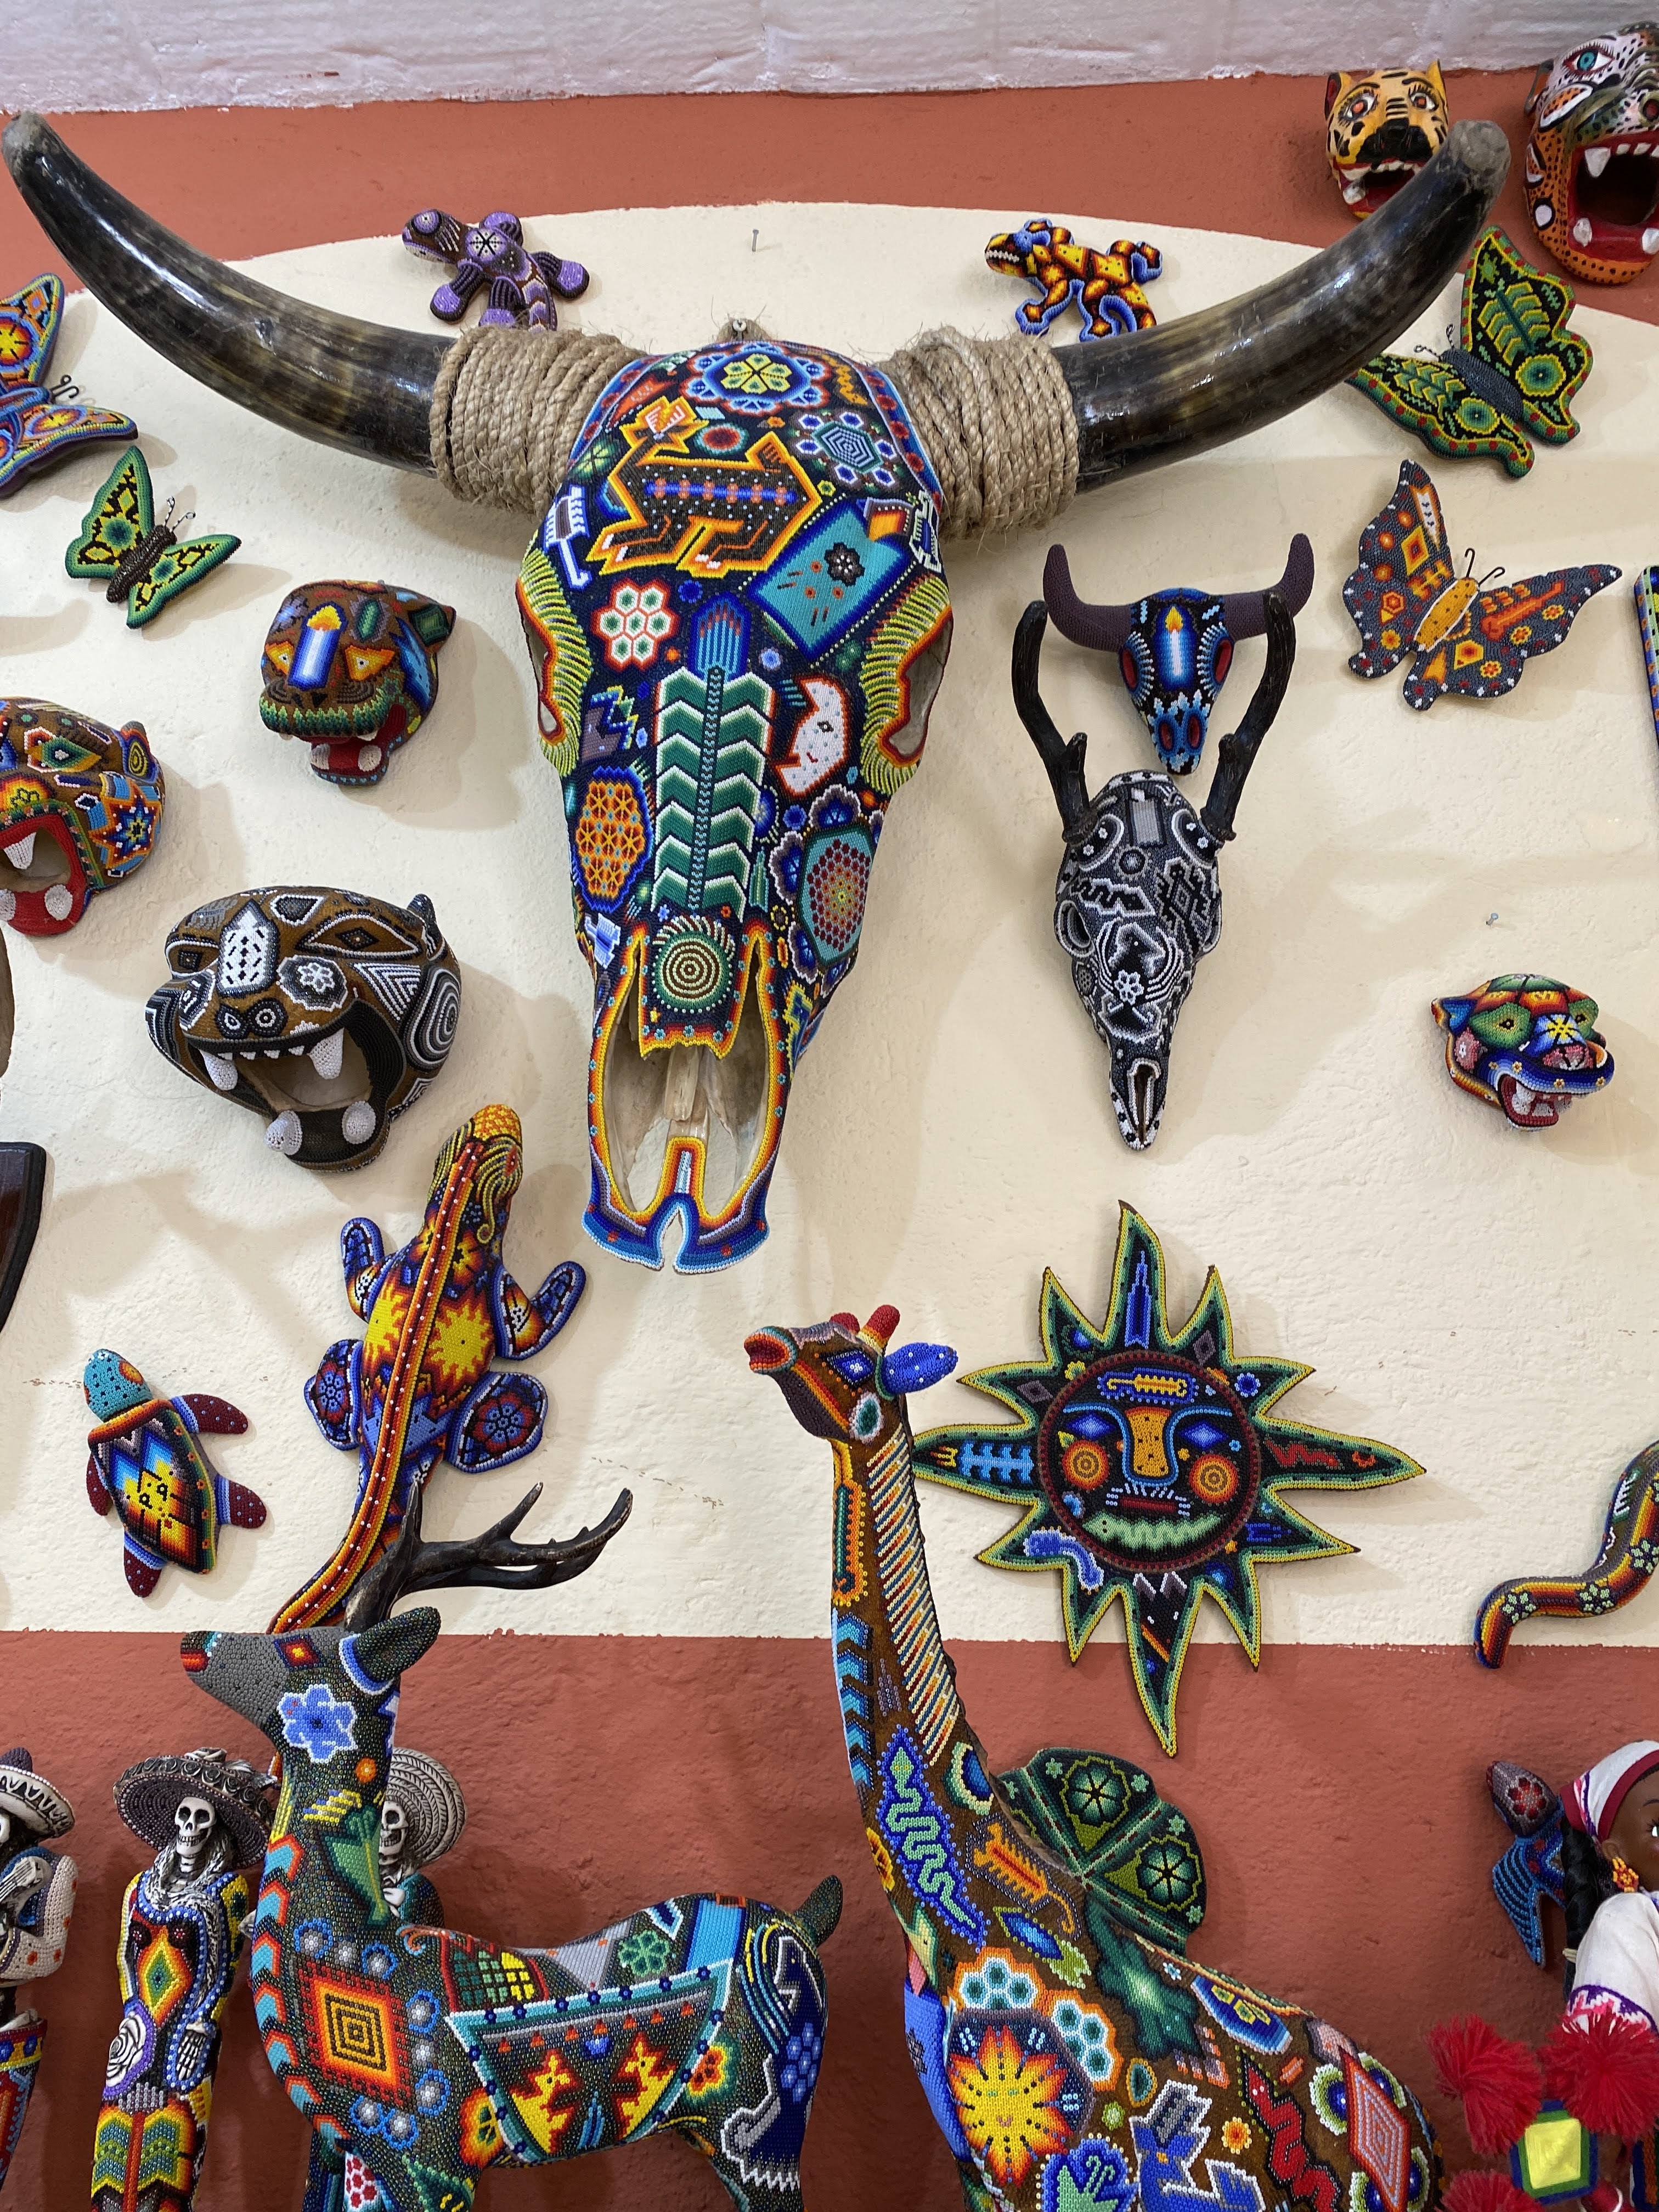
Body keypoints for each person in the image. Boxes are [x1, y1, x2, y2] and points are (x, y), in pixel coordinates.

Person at [91, 1747, 274, 2212]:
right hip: (136, 2029)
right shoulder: (138, 1888)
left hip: (187, 2032)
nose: (191, 1827)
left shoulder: (227, 1891)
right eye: (185, 1815)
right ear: (174, 1820)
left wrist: (203, 2024)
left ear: (217, 1829)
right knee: (113, 2141)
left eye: (202, 1818)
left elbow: (223, 1967)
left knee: (173, 2138)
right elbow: (125, 1959)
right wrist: (133, 2017)